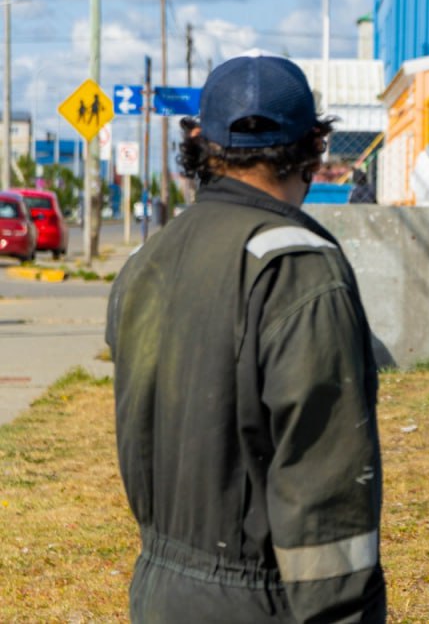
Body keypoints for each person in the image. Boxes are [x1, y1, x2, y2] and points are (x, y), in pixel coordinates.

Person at [106, 54, 386, 622]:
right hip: (261, 599)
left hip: (159, 591)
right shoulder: (298, 266)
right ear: (315, 145)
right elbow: (324, 484)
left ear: (198, 142)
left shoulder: (148, 259)